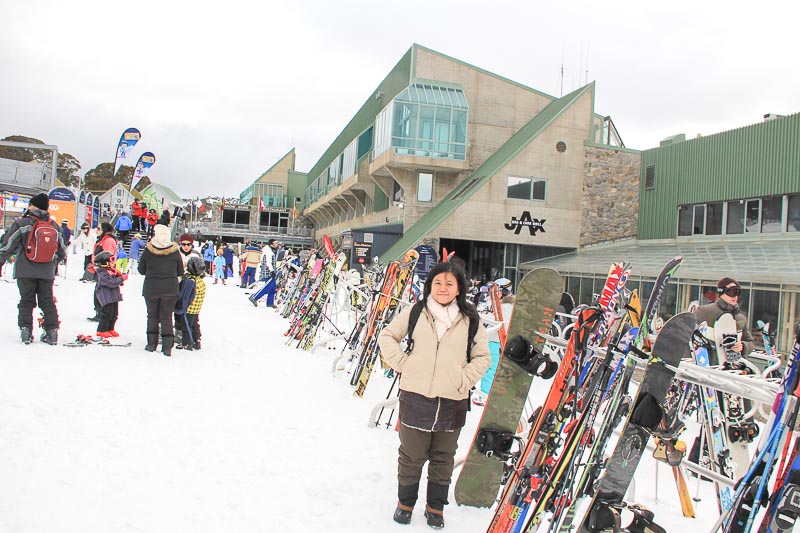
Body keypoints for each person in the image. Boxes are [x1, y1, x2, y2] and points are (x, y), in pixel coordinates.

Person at [378, 261, 491, 528]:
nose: (443, 288)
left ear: (459, 288)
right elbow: (387, 336)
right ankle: (405, 503)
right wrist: (405, 364)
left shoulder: (470, 318)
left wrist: (464, 379)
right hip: (416, 395)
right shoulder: (416, 312)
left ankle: (435, 507)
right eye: (438, 282)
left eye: (449, 283)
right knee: (411, 455)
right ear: (430, 285)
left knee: (443, 457)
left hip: (453, 400)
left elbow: (482, 356)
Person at [0, 192, 67, 345]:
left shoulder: (22, 223)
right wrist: (52, 263)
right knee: (47, 301)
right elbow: (62, 250)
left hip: (25, 270)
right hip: (47, 271)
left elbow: (8, 245)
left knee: (26, 300)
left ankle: (26, 330)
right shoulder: (54, 226)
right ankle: (51, 332)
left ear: (33, 206)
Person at [138, 223, 184, 356]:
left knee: (152, 316)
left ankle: (151, 344)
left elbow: (141, 270)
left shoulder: (149, 249)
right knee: (166, 317)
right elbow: (180, 271)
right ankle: (167, 347)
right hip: (170, 288)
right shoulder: (174, 251)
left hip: (151, 288)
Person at [693, 276, 754, 365]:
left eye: (738, 293)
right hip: (709, 367)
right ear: (722, 292)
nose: (735, 296)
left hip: (732, 367)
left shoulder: (740, 318)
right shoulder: (704, 312)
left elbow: (750, 342)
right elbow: (687, 331)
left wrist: (743, 346)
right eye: (732, 292)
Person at [93, 250, 127, 338]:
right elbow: (111, 283)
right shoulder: (102, 273)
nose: (113, 263)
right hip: (107, 297)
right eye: (111, 261)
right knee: (107, 313)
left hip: (114, 296)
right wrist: (121, 278)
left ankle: (110, 328)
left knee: (114, 314)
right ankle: (102, 330)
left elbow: (116, 281)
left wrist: (119, 276)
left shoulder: (110, 271)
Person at [175, 256, 206, 350]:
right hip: (197, 308)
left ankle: (187, 343)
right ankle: (197, 340)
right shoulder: (199, 280)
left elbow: (185, 296)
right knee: (195, 324)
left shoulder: (190, 281)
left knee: (186, 325)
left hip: (189, 308)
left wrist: (180, 306)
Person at [88, 223, 118, 321]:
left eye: (99, 228)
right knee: (99, 291)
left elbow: (107, 256)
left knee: (102, 292)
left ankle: (102, 313)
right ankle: (100, 312)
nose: (97, 230)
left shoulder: (108, 240)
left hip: (104, 271)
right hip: (100, 269)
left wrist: (101, 266)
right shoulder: (103, 240)